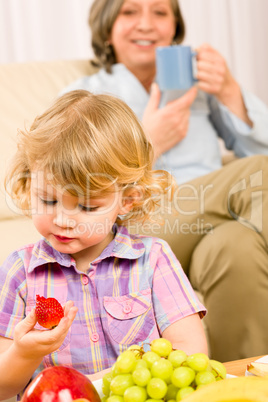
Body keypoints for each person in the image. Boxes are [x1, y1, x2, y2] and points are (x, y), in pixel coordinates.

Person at [62, 0, 268, 362]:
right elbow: (72, 180)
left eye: (160, 12)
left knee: (238, 247)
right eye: (129, 12)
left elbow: (259, 144)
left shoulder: (200, 88)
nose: (146, 24)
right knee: (260, 172)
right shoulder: (84, 96)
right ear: (107, 27)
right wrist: (146, 145)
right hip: (136, 225)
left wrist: (230, 91)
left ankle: (240, 384)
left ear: (175, 27)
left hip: (213, 221)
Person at [0, 90, 207, 400]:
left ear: (127, 200)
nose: (63, 219)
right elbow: (4, 388)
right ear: (29, 185)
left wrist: (102, 381)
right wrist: (24, 352)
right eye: (47, 199)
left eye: (86, 206)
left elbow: (191, 353)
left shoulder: (153, 259)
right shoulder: (21, 271)